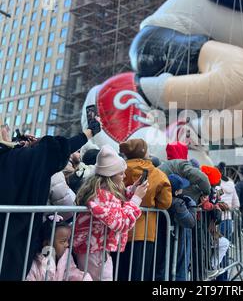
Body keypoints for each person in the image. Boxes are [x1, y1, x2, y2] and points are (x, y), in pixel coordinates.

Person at [0, 116, 101, 281]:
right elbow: (57, 149)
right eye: (4, 126)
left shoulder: (17, 157)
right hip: (13, 245)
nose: (8, 130)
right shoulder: (25, 158)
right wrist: (90, 131)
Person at [74, 145, 147, 281]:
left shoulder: (100, 191)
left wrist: (134, 189)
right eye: (121, 173)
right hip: (95, 252)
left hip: (95, 249)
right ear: (110, 176)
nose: (124, 176)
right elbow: (120, 223)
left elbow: (117, 200)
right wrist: (136, 198)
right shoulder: (102, 195)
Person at [116, 138, 172, 281]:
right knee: (140, 273)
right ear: (143, 151)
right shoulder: (156, 173)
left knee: (118, 272)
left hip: (117, 229)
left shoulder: (118, 169)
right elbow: (165, 202)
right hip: (145, 231)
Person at [155, 174, 197, 281]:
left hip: (161, 241)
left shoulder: (159, 199)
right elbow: (190, 222)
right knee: (176, 270)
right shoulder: (178, 203)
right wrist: (192, 206)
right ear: (177, 191)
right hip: (175, 243)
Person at [26, 215, 92, 281]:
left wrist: (83, 278)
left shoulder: (66, 254)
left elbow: (71, 271)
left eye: (68, 240)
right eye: (63, 241)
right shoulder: (36, 264)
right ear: (47, 244)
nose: (67, 245)